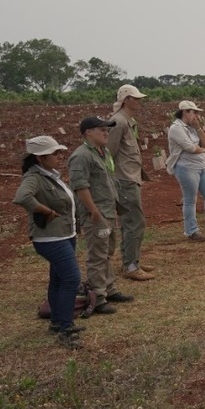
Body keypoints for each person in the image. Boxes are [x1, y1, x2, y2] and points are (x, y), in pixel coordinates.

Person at [13, 136, 83, 349]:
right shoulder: (34, 177)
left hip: (64, 234)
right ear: (40, 158)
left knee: (59, 278)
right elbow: (22, 197)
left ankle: (56, 321)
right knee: (71, 279)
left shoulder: (49, 174)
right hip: (51, 238)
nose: (58, 157)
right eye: (54, 154)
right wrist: (46, 211)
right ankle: (65, 327)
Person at [68, 116, 133, 317]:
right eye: (101, 130)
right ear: (88, 132)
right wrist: (94, 211)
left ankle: (109, 289)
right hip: (96, 215)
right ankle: (98, 297)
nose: (106, 133)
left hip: (107, 211)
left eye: (107, 130)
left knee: (107, 252)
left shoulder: (101, 152)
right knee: (97, 255)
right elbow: (80, 186)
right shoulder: (81, 156)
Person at [107, 84, 154, 281]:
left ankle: (131, 261)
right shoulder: (118, 122)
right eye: (136, 98)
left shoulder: (127, 120)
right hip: (124, 178)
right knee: (134, 222)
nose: (139, 101)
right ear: (126, 100)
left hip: (130, 177)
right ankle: (131, 266)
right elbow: (109, 152)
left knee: (130, 222)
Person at [166, 100, 205, 241]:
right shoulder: (176, 128)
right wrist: (203, 150)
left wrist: (199, 128)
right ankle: (191, 231)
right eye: (193, 112)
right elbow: (191, 148)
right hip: (186, 167)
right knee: (190, 200)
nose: (196, 115)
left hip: (202, 166)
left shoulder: (193, 127)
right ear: (185, 112)